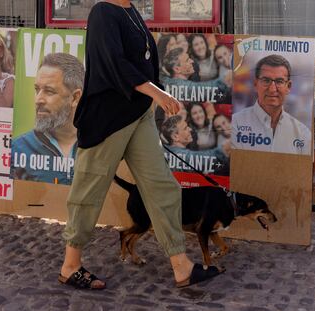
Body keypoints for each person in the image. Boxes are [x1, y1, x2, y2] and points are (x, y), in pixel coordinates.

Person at [58, 0, 221, 290]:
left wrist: (151, 96)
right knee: (89, 189)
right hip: (108, 117)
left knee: (162, 186)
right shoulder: (103, 12)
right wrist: (156, 92)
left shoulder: (130, 11)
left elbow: (144, 60)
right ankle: (70, 265)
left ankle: (181, 265)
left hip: (138, 114)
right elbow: (114, 63)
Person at [11, 53, 84, 185]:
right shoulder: (18, 149)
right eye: (37, 89)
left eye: (49, 91)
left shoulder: (99, 147)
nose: (38, 99)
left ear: (75, 98)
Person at [231, 54, 311, 155]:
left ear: (289, 86)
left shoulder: (303, 134)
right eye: (266, 80)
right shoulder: (234, 125)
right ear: (255, 84)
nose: (272, 89)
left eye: (279, 81)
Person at [161, 115, 229, 175]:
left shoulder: (165, 151)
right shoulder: (180, 155)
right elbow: (198, 158)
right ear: (175, 137)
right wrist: (224, 149)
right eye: (185, 128)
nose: (190, 129)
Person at [161, 47, 230, 105]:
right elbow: (209, 88)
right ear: (177, 69)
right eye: (187, 60)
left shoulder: (169, 82)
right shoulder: (181, 86)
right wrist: (228, 77)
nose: (192, 61)